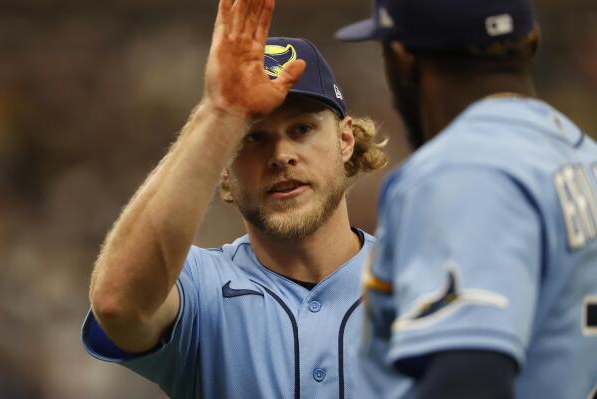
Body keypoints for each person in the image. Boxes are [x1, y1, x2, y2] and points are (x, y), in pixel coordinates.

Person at [81, 0, 407, 398]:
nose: (281, 155)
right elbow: (117, 305)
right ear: (222, 165)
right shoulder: (200, 287)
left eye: (302, 129)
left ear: (344, 140)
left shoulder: (414, 282)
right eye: (253, 137)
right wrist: (219, 114)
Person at [336, 0, 597, 398]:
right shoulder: (580, 154)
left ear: (402, 57)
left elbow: (471, 375)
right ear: (532, 39)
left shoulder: (461, 170)